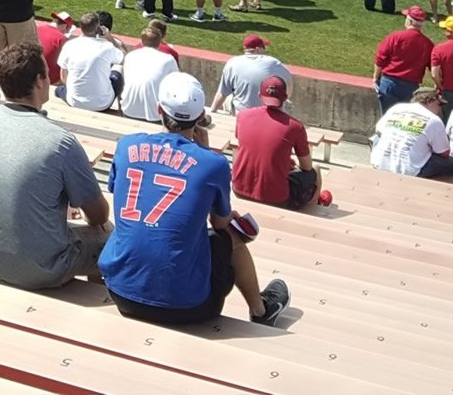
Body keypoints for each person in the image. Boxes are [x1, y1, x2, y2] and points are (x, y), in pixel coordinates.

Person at [98, 74, 289, 327]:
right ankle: (260, 309)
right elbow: (221, 224)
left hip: (119, 291)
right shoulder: (213, 164)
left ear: (159, 110)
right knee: (231, 236)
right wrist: (205, 153)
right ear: (199, 119)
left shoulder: (126, 146)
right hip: (186, 306)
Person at [0, 43, 111, 288]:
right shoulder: (60, 141)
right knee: (109, 233)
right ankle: (99, 301)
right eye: (47, 74)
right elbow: (98, 215)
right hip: (40, 269)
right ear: (39, 81)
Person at [231, 76, 322, 210]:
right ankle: (314, 210)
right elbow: (307, 167)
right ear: (285, 98)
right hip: (276, 199)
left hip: (238, 189)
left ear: (259, 95)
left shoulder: (242, 116)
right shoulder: (295, 127)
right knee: (317, 169)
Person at [371, 88, 453, 179]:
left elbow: (378, 130)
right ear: (429, 101)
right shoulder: (434, 120)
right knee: (452, 163)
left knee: (376, 138)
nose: (440, 108)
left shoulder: (397, 108)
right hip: (409, 170)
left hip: (379, 162)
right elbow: (444, 153)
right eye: (439, 104)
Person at [54, 12, 120, 112]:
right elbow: (123, 56)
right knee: (118, 71)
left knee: (58, 91)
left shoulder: (70, 45)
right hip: (102, 104)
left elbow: (63, 75)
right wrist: (108, 36)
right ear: (98, 27)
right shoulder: (107, 47)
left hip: (74, 101)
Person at [116, 19, 180, 124]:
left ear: (142, 41)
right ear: (160, 42)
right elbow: (177, 86)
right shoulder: (168, 59)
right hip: (155, 116)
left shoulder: (130, 56)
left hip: (128, 110)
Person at [373, 6, 432, 113]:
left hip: (389, 83)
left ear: (409, 21)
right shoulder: (427, 44)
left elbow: (380, 58)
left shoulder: (395, 37)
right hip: (411, 87)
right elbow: (433, 67)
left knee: (386, 118)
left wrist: (376, 77)